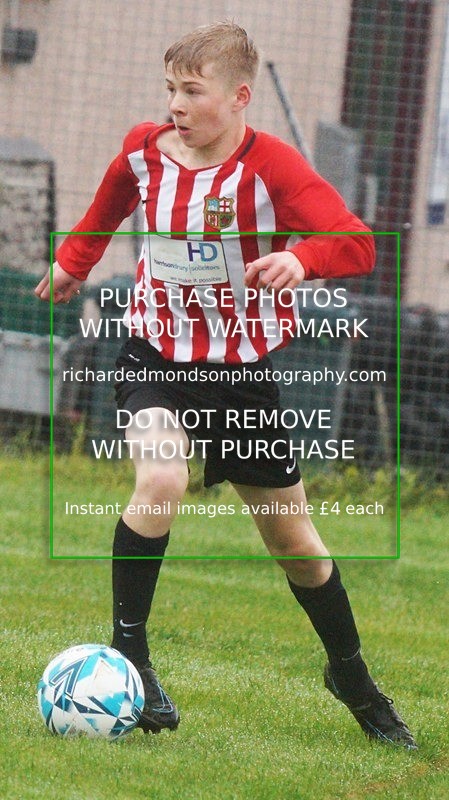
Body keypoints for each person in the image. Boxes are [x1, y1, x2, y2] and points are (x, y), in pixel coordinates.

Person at [35, 21, 416, 749]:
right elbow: (106, 206)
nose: (175, 104)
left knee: (293, 540)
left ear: (239, 97)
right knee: (161, 480)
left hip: (240, 379)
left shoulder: (270, 168)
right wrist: (74, 264)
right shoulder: (145, 151)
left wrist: (302, 262)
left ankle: (351, 675)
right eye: (170, 89)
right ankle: (133, 659)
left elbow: (357, 242)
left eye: (191, 91)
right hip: (153, 358)